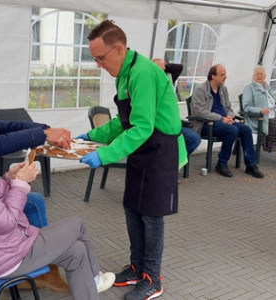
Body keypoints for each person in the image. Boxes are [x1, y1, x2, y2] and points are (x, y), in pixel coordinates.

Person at [0, 115, 115, 300]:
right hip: (3, 259)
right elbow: (5, 223)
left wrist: (9, 178)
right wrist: (20, 184)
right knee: (77, 225)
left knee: (77, 251)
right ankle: (95, 280)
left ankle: (92, 285)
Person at [78, 20, 188, 300]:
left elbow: (142, 127)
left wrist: (104, 154)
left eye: (100, 58)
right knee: (132, 209)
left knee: (151, 216)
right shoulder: (123, 74)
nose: (98, 64)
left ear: (118, 49)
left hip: (161, 149)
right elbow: (124, 121)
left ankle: (153, 279)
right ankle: (137, 268)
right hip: (142, 148)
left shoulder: (142, 72)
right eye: (94, 59)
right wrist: (91, 135)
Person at [190, 64, 264, 178]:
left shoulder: (223, 89)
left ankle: (251, 165)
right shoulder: (200, 89)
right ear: (213, 76)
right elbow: (200, 111)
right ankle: (222, 163)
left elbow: (228, 108)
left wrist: (229, 117)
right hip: (205, 124)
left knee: (246, 129)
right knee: (232, 130)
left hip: (223, 122)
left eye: (225, 74)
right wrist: (221, 118)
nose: (226, 77)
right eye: (222, 74)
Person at [152, 58, 202, 156]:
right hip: (157, 126)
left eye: (164, 70)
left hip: (171, 124)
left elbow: (179, 67)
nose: (162, 73)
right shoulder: (150, 84)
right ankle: (168, 163)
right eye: (159, 70)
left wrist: (163, 66)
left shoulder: (167, 80)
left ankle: (173, 162)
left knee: (194, 139)